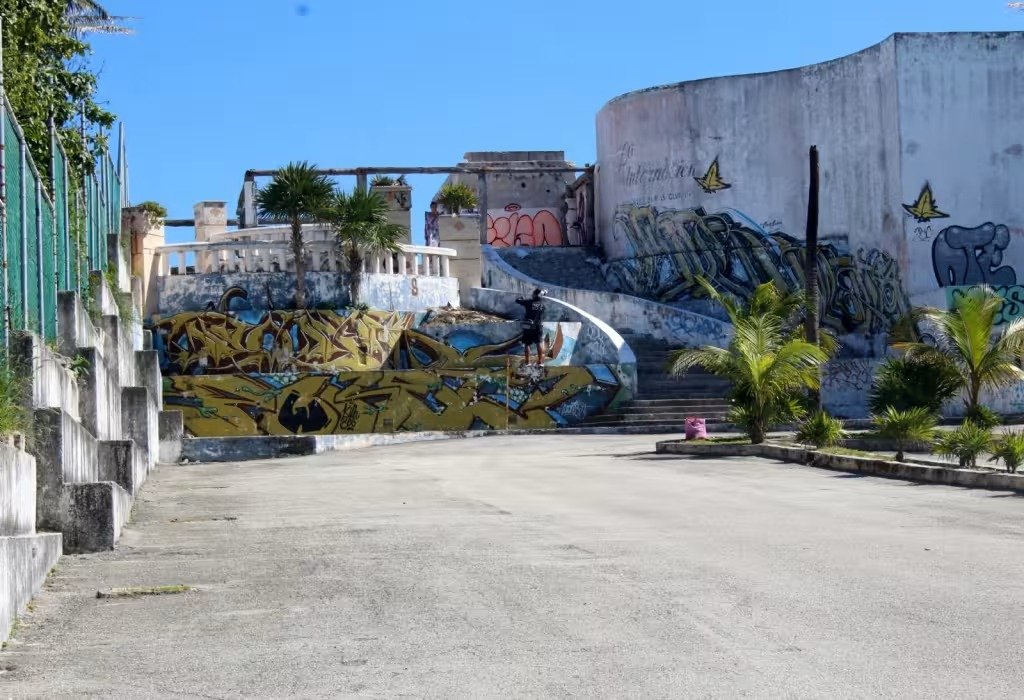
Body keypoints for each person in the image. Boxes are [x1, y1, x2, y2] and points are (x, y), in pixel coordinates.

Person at [515, 288, 546, 366]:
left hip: (528, 326)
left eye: (533, 294)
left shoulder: (528, 302)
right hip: (538, 326)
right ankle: (540, 362)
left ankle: (527, 362)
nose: (532, 295)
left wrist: (521, 298)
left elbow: (517, 300)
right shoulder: (542, 304)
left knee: (527, 344)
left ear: (535, 295)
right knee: (539, 343)